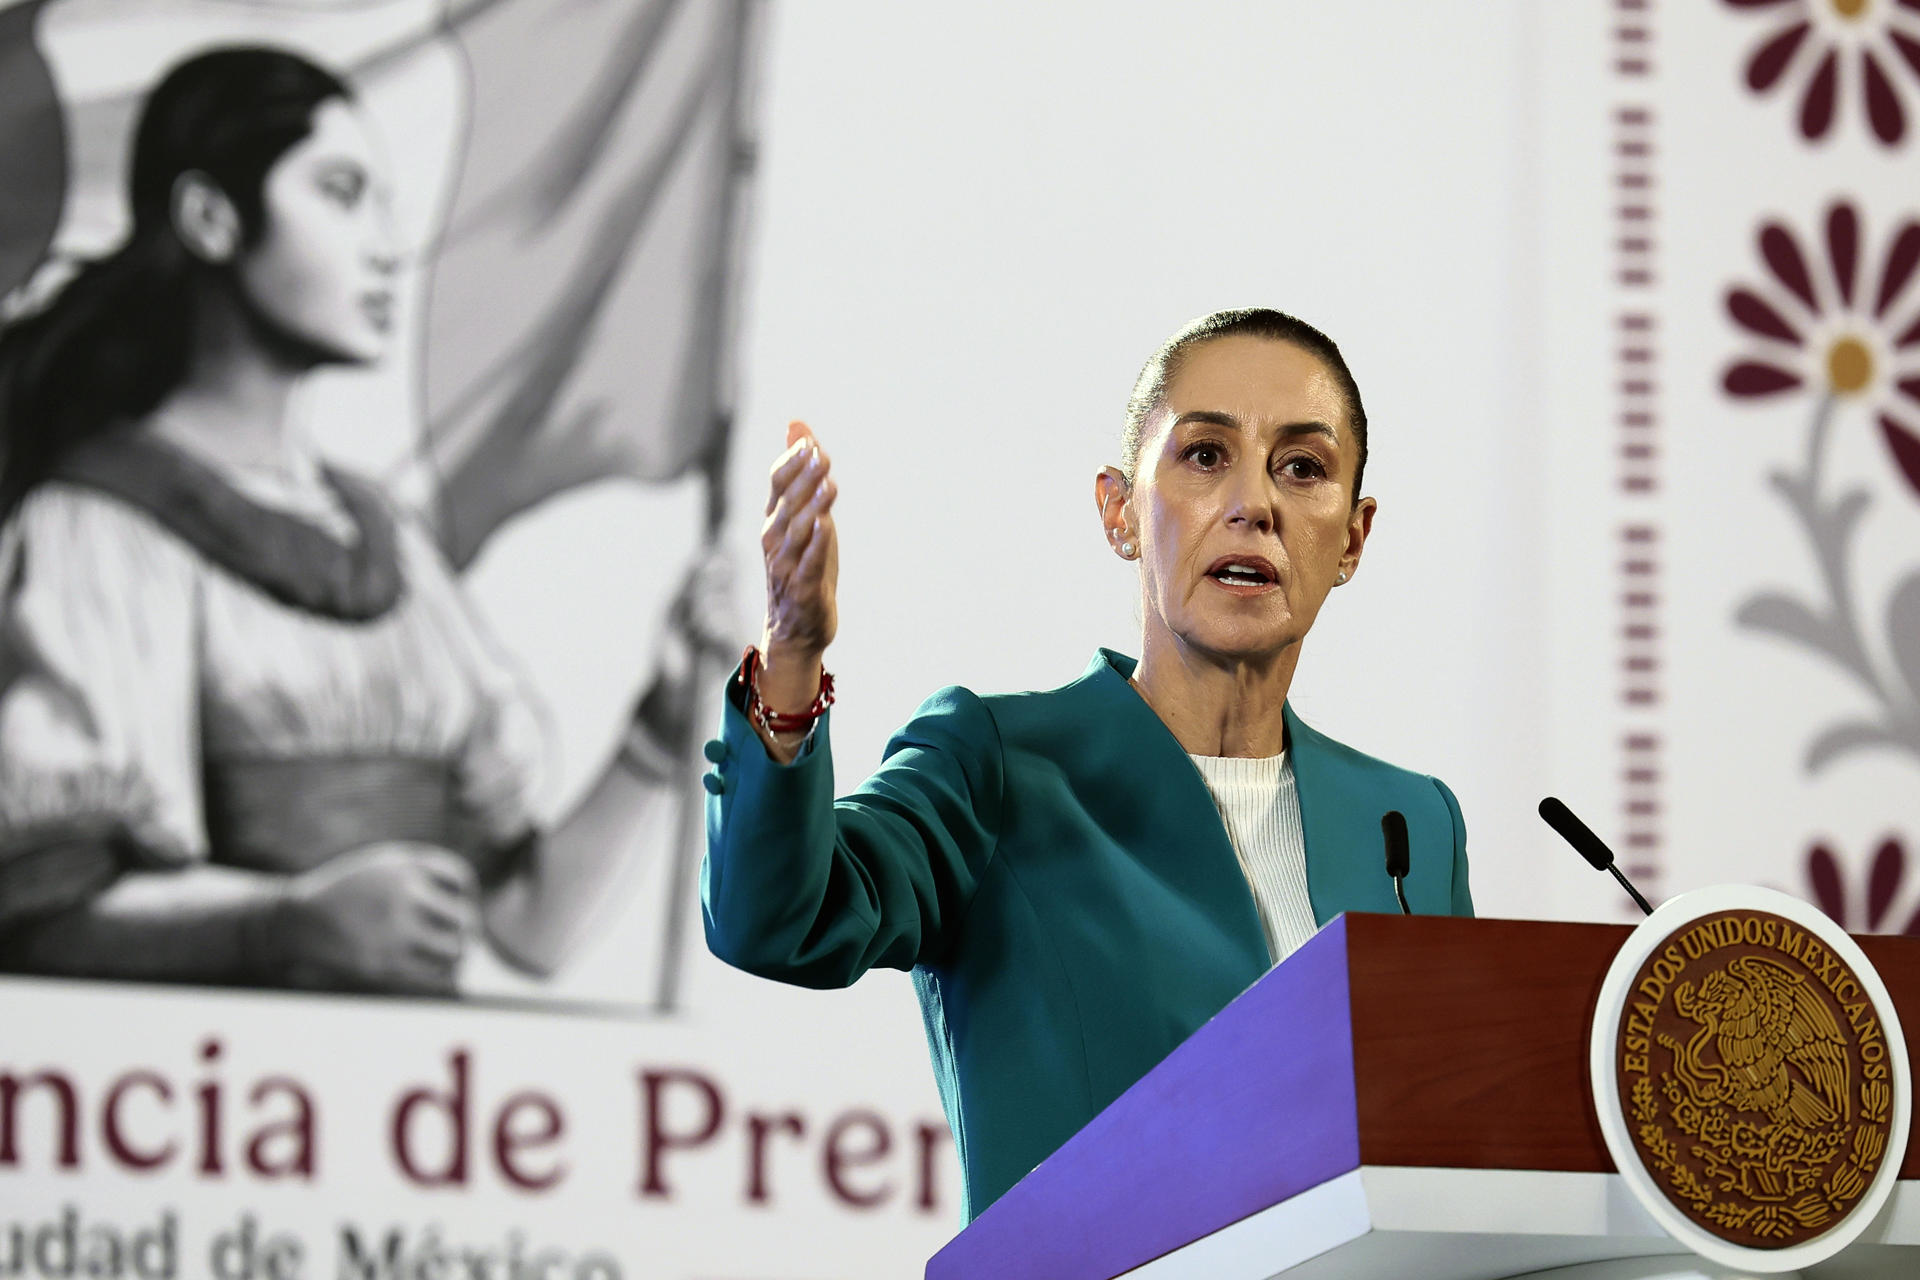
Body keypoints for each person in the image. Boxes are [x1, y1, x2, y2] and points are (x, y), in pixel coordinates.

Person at [701, 308, 1475, 1221]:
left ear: (1351, 538)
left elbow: (1453, 1146)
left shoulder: (1411, 823)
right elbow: (777, 918)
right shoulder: (996, 764)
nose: (1255, 504)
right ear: (1120, 511)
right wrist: (791, 659)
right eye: (1204, 456)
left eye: (1303, 468)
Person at [0, 47, 710, 994]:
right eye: (340, 193)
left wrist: (660, 732)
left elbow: (526, 930)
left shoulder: (391, 549)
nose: (386, 245)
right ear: (211, 219)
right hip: (202, 1106)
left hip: (403, 1112)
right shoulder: (97, 529)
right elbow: (43, 912)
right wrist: (281, 924)